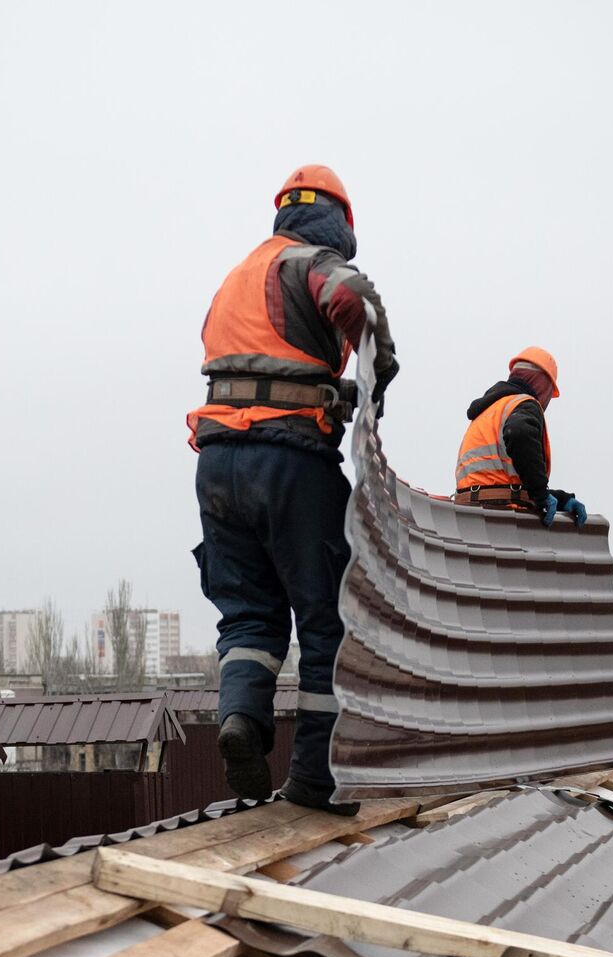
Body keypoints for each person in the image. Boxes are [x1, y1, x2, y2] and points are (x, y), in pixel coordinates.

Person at [187, 164, 398, 815]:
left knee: (249, 617)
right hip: (288, 462)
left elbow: (253, 357)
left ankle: (242, 721)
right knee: (328, 615)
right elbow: (352, 300)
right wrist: (377, 366)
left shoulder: (236, 276)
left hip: (217, 464)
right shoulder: (311, 261)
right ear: (337, 219)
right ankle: (315, 777)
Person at [453, 347, 587, 526]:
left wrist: (560, 499)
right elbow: (519, 434)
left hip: (470, 512)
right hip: (502, 515)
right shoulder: (524, 404)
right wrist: (540, 494)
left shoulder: (490, 411)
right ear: (543, 384)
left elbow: (499, 482)